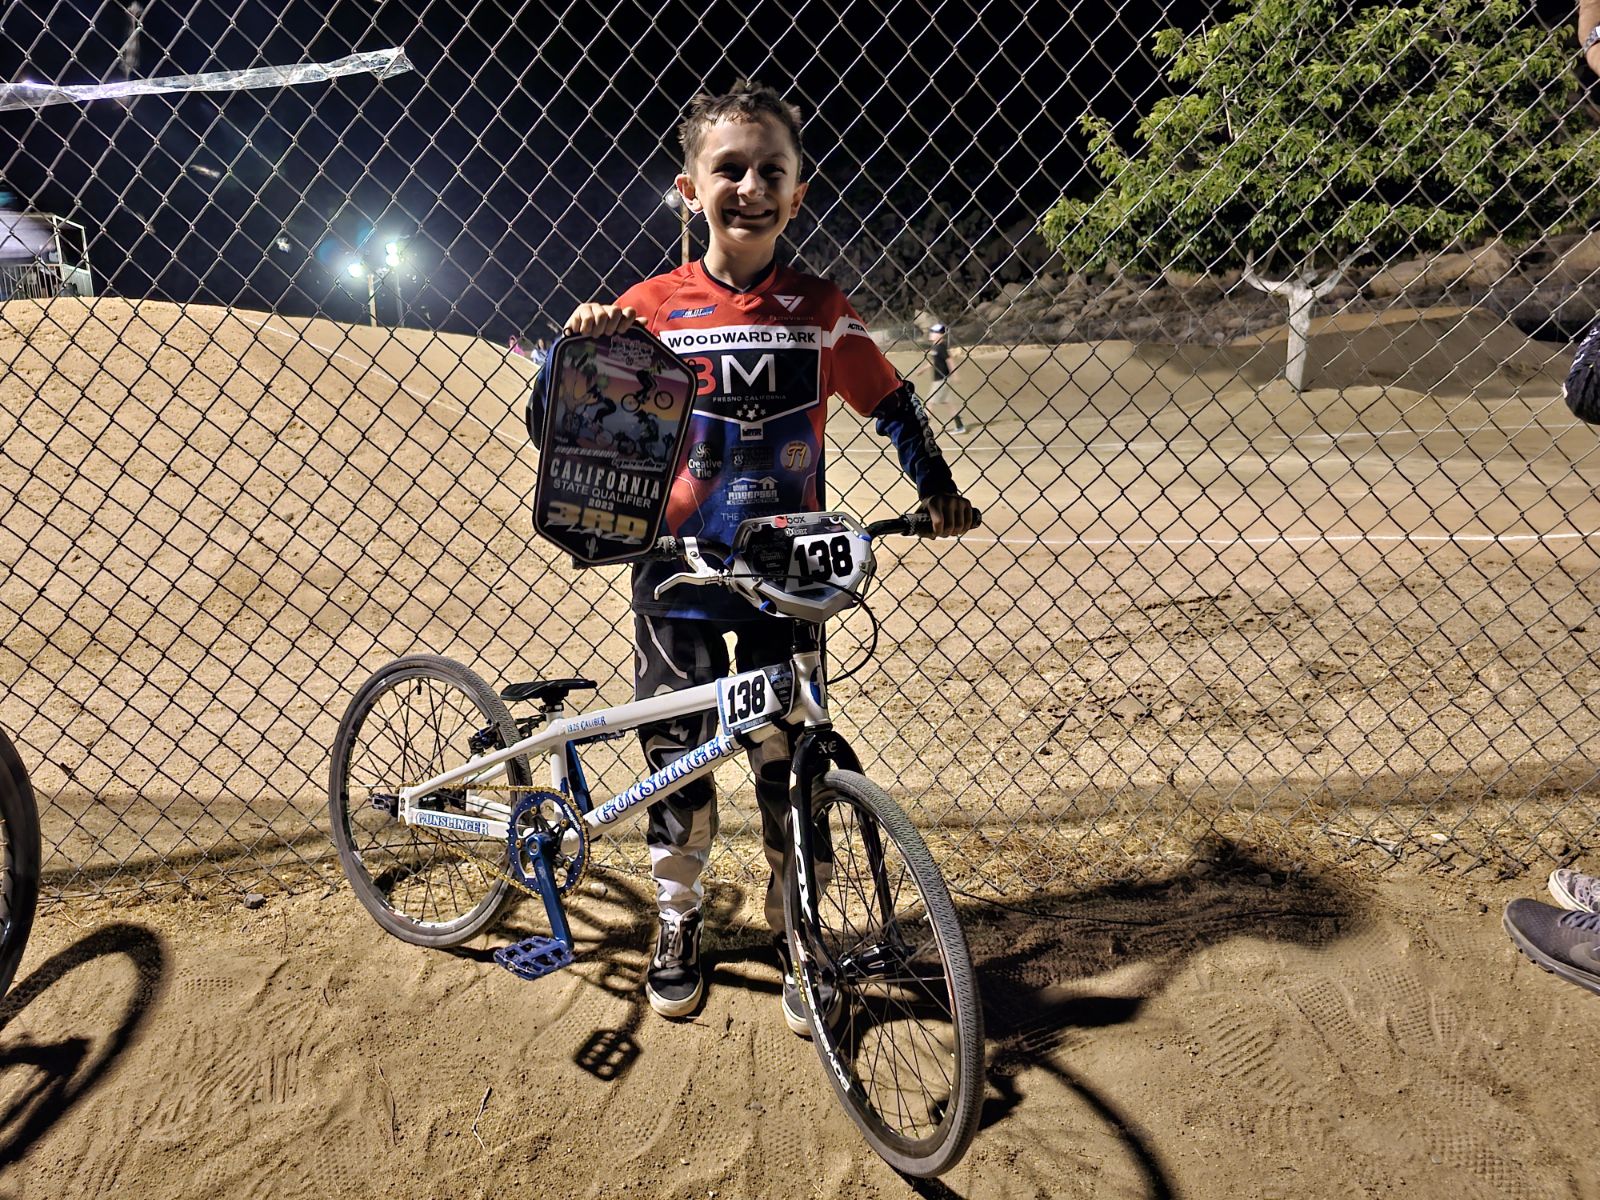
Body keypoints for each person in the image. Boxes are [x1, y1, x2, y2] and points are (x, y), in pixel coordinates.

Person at [557, 80, 976, 1027]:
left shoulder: (820, 308)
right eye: (730, 169)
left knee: (791, 759)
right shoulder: (647, 307)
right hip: (679, 574)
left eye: (770, 171)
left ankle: (800, 932)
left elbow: (892, 403)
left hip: (791, 575)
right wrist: (582, 344)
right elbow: (579, 424)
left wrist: (936, 489)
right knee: (679, 757)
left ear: (797, 193)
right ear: (689, 189)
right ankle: (677, 915)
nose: (749, 187)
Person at [924, 321, 965, 433]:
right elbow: (934, 361)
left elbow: (950, 361)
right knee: (948, 403)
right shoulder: (936, 347)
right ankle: (960, 426)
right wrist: (923, 369)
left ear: (940, 335)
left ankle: (922, 428)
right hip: (940, 379)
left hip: (941, 380)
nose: (931, 334)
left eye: (934, 332)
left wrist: (955, 375)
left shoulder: (941, 347)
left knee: (930, 403)